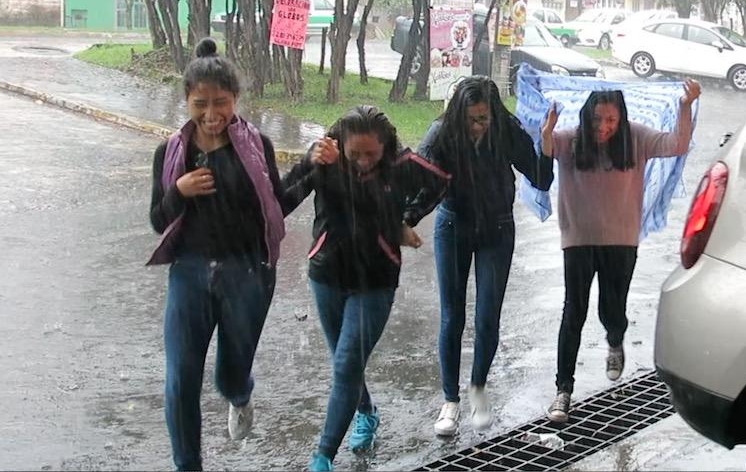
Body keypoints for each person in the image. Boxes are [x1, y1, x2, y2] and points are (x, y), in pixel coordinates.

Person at [148, 38, 318, 472]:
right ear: (186, 100)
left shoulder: (255, 145)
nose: (210, 115)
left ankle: (240, 396)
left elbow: (276, 205)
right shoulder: (170, 154)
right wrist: (178, 192)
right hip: (189, 274)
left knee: (230, 375)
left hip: (248, 273)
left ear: (236, 100)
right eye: (200, 104)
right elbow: (157, 220)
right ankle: (188, 465)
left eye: (220, 103)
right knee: (180, 380)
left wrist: (314, 166)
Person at [289, 106, 449, 472]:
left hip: (375, 282)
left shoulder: (401, 165)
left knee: (346, 364)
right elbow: (284, 195)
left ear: (386, 149)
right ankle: (366, 411)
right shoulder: (325, 158)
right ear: (340, 145)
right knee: (345, 363)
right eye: (354, 154)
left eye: (371, 155)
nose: (363, 162)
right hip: (326, 274)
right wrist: (307, 161)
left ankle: (323, 456)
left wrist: (407, 219)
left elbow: (439, 181)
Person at [540, 82, 701, 423]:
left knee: (612, 309)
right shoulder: (573, 139)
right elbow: (549, 148)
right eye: (597, 119)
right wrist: (547, 129)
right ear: (587, 115)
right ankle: (563, 390)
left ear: (621, 118)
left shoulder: (636, 137)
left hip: (621, 240)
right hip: (578, 239)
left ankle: (615, 340)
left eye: (611, 120)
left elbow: (679, 144)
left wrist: (686, 106)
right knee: (574, 312)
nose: (603, 127)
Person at [419, 76, 557, 436]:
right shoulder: (441, 133)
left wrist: (546, 146)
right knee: (452, 316)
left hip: (497, 229)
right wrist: (400, 222)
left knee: (487, 316)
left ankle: (478, 387)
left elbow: (541, 179)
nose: (477, 126)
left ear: (493, 114)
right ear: (457, 116)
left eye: (483, 118)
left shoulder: (506, 129)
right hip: (453, 227)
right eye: (470, 120)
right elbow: (415, 182)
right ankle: (450, 401)